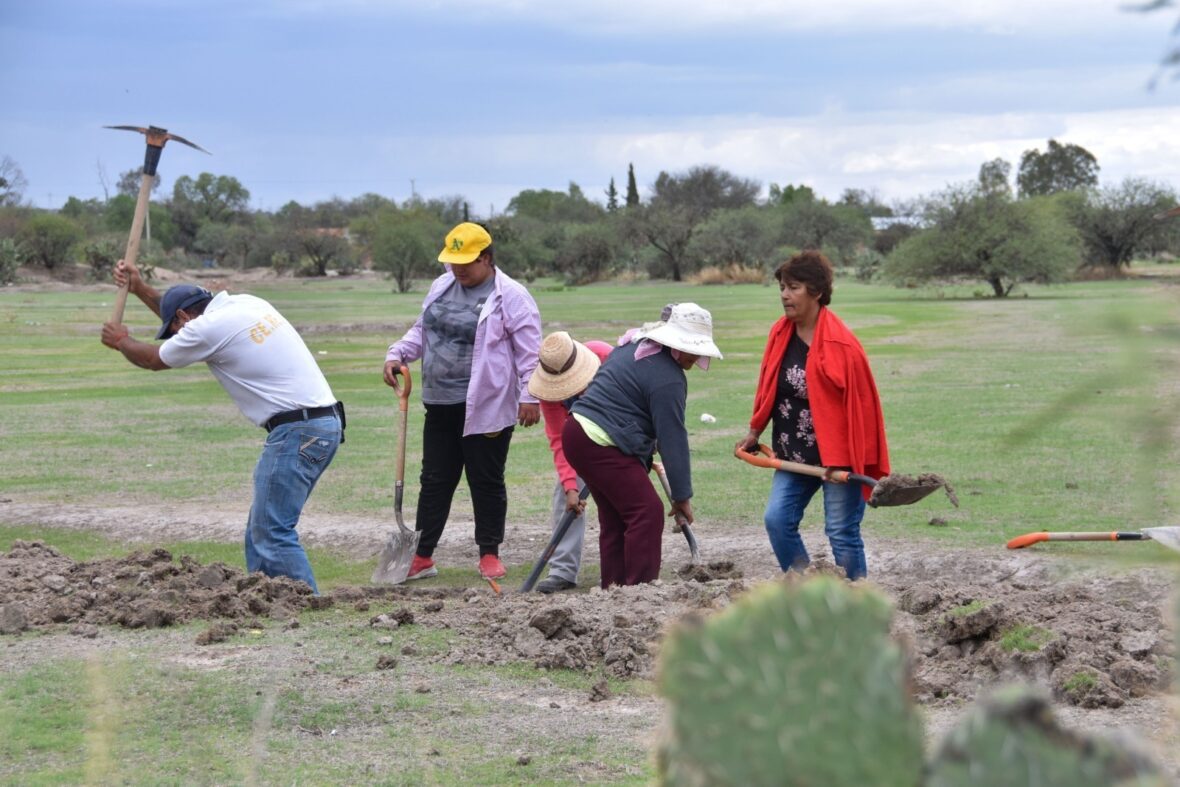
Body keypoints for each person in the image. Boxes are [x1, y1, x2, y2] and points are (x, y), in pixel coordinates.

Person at [100, 260, 343, 594]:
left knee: (272, 532)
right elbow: (178, 316)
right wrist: (139, 287)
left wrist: (121, 340)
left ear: (184, 318)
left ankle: (305, 608)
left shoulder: (206, 328)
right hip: (320, 424)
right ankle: (273, 601)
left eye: (174, 330)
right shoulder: (246, 303)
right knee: (263, 529)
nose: (179, 339)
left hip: (298, 431)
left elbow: (152, 359)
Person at [383, 222, 541, 582]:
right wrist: (398, 354)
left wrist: (530, 395)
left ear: (486, 258)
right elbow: (422, 331)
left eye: (466, 263)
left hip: (486, 405)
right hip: (438, 402)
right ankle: (422, 556)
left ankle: (489, 553)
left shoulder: (511, 296)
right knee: (435, 480)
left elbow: (529, 352)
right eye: (454, 262)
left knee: (485, 480)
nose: (458, 269)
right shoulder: (441, 286)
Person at [735, 250, 889, 581]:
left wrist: (845, 460)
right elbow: (768, 385)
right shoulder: (780, 332)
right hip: (794, 454)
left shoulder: (842, 345)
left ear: (816, 291)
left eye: (793, 287)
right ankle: (807, 587)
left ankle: (856, 602)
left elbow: (862, 410)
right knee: (777, 520)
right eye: (782, 287)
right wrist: (754, 430)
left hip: (839, 459)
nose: (785, 295)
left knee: (841, 531)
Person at [562, 303, 722, 587]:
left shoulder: (632, 346)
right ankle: (639, 593)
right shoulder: (668, 378)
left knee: (616, 519)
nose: (696, 356)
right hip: (599, 440)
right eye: (692, 347)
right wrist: (682, 496)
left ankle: (614, 592)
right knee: (646, 512)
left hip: (577, 434)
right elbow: (673, 438)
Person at [526, 331, 613, 593]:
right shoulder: (548, 388)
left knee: (622, 499)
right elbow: (558, 438)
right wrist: (569, 486)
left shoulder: (604, 356)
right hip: (580, 440)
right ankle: (563, 569)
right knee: (563, 493)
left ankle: (621, 567)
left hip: (621, 433)